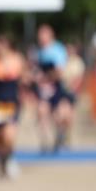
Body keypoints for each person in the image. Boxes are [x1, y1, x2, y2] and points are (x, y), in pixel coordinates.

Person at [0, 35, 27, 179]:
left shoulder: (17, 60)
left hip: (12, 103)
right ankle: (1, 163)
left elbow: (24, 79)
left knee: (9, 135)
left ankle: (9, 159)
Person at [32, 24, 74, 153]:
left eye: (43, 34)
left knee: (62, 116)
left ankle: (60, 137)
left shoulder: (57, 50)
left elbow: (59, 72)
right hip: (44, 89)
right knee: (41, 111)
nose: (41, 37)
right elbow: (34, 70)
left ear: (50, 35)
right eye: (39, 34)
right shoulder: (38, 51)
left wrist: (44, 77)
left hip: (57, 88)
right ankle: (45, 142)